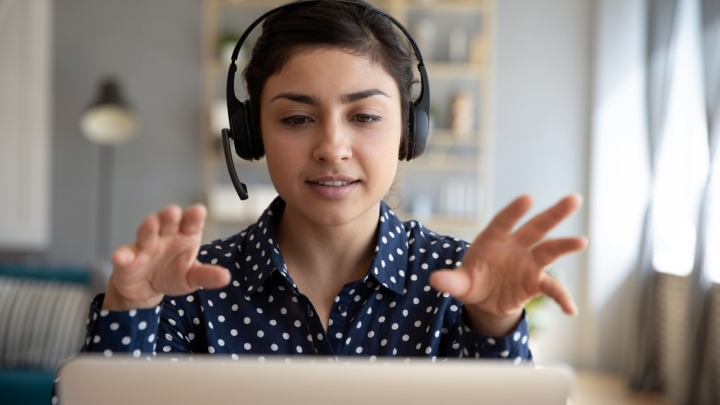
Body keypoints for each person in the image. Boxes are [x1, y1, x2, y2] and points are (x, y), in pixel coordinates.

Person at [67, 0, 586, 384]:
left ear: (408, 132)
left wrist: (493, 326)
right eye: (296, 118)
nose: (333, 147)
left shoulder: (458, 284)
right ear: (253, 135)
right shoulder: (188, 289)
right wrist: (128, 309)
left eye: (364, 116)